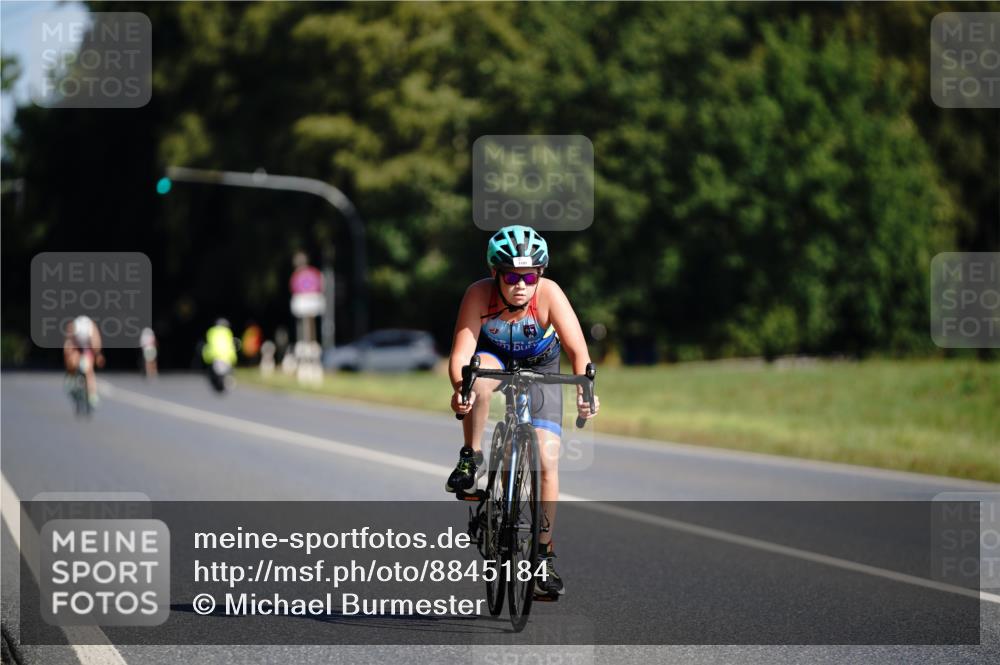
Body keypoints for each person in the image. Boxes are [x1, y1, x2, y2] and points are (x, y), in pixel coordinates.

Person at [446, 224, 600, 600]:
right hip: (492, 359)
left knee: (547, 460)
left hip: (541, 368)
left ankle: (543, 557)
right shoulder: (478, 295)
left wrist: (586, 392)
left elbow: (580, 354)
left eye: (529, 276)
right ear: (496, 274)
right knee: (475, 379)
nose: (520, 284)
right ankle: (472, 456)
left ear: (540, 275)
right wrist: (459, 390)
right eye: (512, 276)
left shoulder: (549, 295)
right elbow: (461, 356)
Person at [63, 315, 104, 407]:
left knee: (89, 370)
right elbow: (68, 345)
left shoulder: (92, 328)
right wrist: (69, 360)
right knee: (72, 360)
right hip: (76, 347)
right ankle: (71, 377)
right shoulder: (72, 327)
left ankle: (92, 394)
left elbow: (96, 345)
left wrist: (97, 355)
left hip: (87, 347)